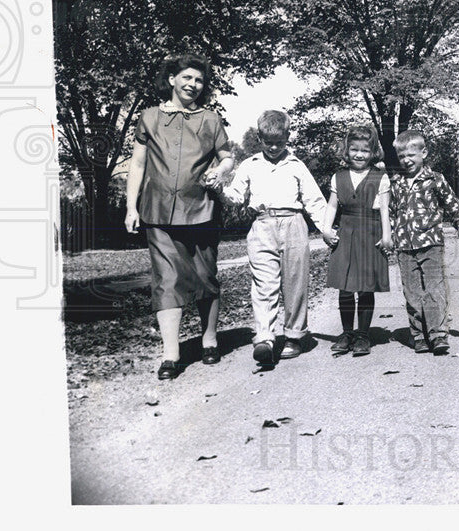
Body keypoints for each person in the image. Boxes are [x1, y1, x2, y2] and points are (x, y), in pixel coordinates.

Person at [124, 53, 234, 380]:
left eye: (199, 80)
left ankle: (210, 339)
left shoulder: (211, 120)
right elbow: (138, 165)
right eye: (187, 78)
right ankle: (170, 353)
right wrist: (131, 207)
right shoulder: (149, 117)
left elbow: (227, 157)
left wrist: (222, 169)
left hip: (202, 209)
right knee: (166, 280)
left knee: (205, 276)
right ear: (172, 79)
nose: (193, 85)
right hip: (158, 211)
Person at [217, 110, 327, 367]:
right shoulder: (250, 165)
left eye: (280, 142)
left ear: (288, 136)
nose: (275, 147)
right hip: (262, 225)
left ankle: (294, 335)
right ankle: (265, 337)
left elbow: (314, 201)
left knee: (295, 282)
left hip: (293, 224)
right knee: (263, 283)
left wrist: (327, 230)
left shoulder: (296, 166)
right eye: (269, 142)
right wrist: (220, 190)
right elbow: (235, 196)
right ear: (259, 138)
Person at [389, 129, 459, 356]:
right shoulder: (395, 183)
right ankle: (418, 335)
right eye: (402, 157)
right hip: (405, 245)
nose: (406, 161)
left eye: (411, 155)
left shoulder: (435, 179)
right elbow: (390, 213)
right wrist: (386, 237)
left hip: (431, 243)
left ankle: (437, 335)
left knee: (435, 289)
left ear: (423, 153)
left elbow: (453, 205)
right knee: (412, 292)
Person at [319, 125, 393, 358]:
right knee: (345, 285)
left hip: (370, 234)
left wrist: (387, 235)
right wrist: (326, 229)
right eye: (354, 150)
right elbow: (332, 205)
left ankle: (363, 334)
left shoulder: (380, 177)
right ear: (347, 151)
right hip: (346, 233)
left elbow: (385, 210)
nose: (359, 155)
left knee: (365, 286)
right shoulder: (338, 177)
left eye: (365, 150)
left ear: (373, 153)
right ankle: (347, 332)